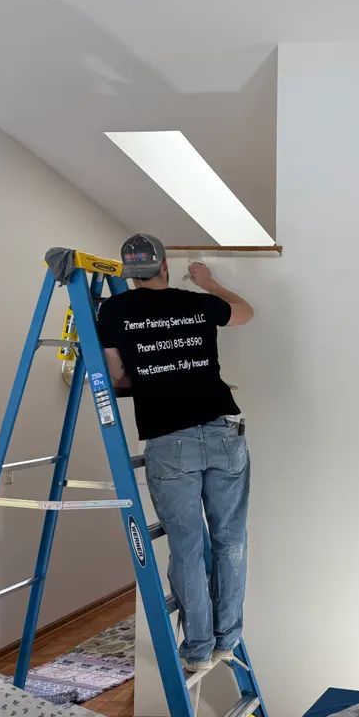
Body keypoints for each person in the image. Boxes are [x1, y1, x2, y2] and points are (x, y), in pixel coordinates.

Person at [96, 233, 254, 672]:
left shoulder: (113, 311)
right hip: (223, 431)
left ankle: (199, 649)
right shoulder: (197, 303)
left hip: (169, 440)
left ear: (130, 274)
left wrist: (154, 374)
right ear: (164, 266)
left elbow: (117, 375)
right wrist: (208, 281)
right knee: (230, 541)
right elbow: (244, 312)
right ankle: (227, 639)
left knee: (186, 548)